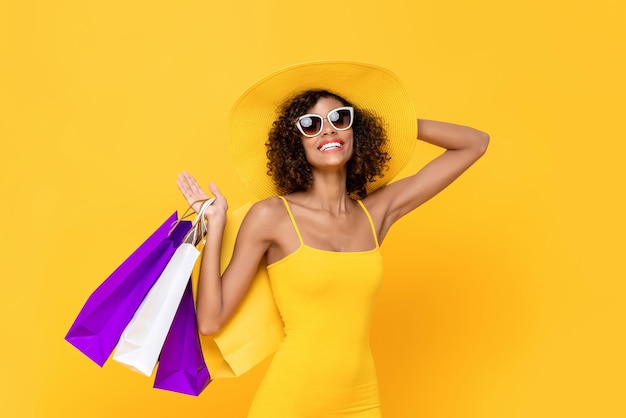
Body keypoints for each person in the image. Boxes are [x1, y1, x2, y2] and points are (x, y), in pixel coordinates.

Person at [176, 62, 489, 418]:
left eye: (340, 119)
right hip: (291, 402)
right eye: (311, 125)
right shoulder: (272, 216)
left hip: (361, 402)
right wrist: (215, 227)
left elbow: (474, 144)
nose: (328, 131)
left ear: (357, 130)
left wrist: (389, 121)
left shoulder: (375, 215)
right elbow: (210, 321)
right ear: (297, 143)